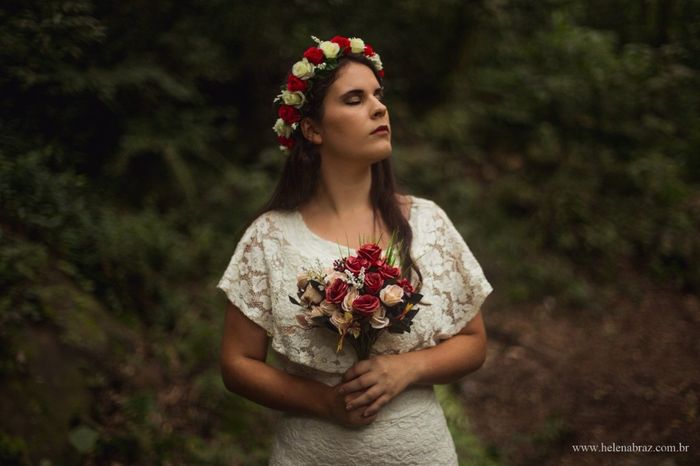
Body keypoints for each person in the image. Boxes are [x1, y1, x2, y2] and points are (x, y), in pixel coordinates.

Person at [217, 35, 492, 465]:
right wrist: (323, 402)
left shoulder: (427, 223)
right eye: (354, 99)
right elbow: (237, 362)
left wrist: (407, 368)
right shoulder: (270, 237)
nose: (379, 108)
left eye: (378, 96)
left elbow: (474, 342)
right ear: (312, 129)